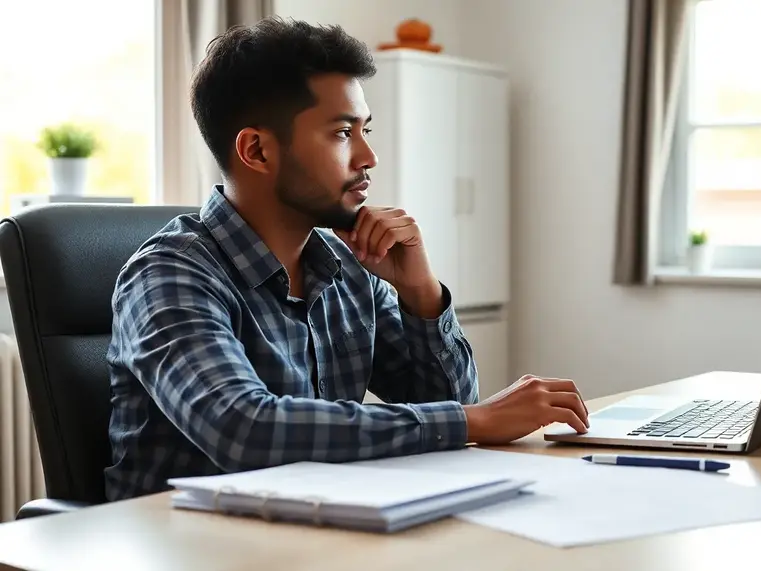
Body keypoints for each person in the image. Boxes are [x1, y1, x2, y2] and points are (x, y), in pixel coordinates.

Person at [104, 17, 589, 501]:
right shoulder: (169, 272)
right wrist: (473, 420)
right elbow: (243, 429)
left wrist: (421, 293)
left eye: (365, 130)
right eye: (342, 133)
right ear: (256, 150)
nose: (369, 156)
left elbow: (450, 407)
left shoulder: (348, 265)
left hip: (316, 528)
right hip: (180, 545)